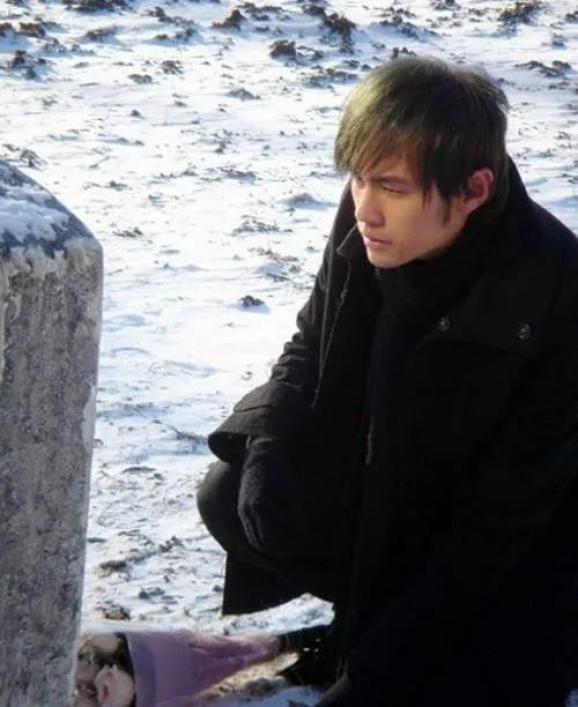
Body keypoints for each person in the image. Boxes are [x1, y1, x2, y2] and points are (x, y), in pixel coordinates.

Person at [197, 56, 578, 706]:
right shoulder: (367, 221)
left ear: (474, 190)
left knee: (484, 680)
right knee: (231, 492)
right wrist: (266, 450)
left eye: (393, 189)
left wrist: (374, 674)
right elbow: (310, 341)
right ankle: (361, 623)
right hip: (398, 489)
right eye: (358, 178)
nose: (365, 208)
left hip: (518, 547)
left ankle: (381, 638)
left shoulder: (557, 290)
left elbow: (498, 522)